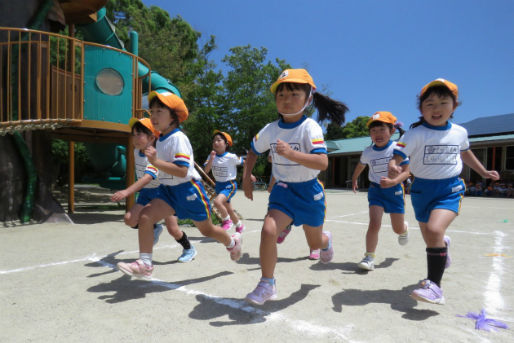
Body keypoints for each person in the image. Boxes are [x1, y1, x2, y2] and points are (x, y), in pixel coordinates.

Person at [242, 68, 348, 305]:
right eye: (281, 96)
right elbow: (252, 151)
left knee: (314, 243)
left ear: (308, 99)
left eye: (294, 95)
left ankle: (325, 240)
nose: (286, 100)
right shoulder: (270, 130)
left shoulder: (310, 127)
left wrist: (290, 153)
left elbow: (322, 162)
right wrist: (246, 177)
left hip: (310, 192)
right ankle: (267, 283)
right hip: (283, 191)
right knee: (268, 231)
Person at [389, 78, 499, 304]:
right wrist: (393, 164)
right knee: (431, 237)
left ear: (454, 106)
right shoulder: (414, 133)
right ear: (421, 109)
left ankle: (435, 287)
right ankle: (443, 248)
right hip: (421, 190)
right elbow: (398, 155)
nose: (436, 109)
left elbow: (465, 153)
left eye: (443, 103)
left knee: (435, 228)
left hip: (450, 189)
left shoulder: (459, 132)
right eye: (429, 104)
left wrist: (484, 171)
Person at [117, 91, 242, 280]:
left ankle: (231, 242)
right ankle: (145, 263)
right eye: (152, 111)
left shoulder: (178, 138)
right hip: (169, 191)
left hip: (189, 190)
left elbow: (183, 170)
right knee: (145, 216)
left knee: (206, 230)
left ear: (174, 116)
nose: (154, 115)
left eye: (160, 111)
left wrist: (156, 161)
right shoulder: (160, 140)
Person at [111, 117, 196, 263]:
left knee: (173, 229)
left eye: (140, 134)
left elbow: (147, 178)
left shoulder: (156, 155)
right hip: (146, 193)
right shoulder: (137, 151)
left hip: (163, 193)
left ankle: (189, 248)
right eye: (134, 134)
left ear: (151, 137)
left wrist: (126, 192)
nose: (135, 138)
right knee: (130, 219)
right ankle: (155, 227)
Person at [351, 111, 410, 271]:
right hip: (376, 190)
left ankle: (404, 229)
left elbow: (407, 171)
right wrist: (355, 178)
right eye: (373, 131)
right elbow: (361, 165)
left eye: (381, 129)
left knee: (396, 229)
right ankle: (369, 257)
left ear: (392, 131)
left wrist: (394, 180)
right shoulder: (368, 151)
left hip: (395, 191)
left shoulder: (397, 149)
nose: (377, 134)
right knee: (374, 224)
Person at [268, 153, 320, 260]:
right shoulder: (277, 141)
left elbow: (321, 162)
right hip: (284, 186)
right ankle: (286, 227)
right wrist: (271, 184)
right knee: (278, 210)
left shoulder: (305, 141)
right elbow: (274, 164)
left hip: (306, 187)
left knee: (308, 223)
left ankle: (314, 247)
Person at [203, 130, 245, 233]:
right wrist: (212, 159)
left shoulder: (231, 157)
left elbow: (244, 162)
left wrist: (249, 175)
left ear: (226, 144)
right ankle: (239, 226)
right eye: (213, 141)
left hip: (229, 185)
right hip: (219, 185)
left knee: (217, 202)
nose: (215, 143)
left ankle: (227, 221)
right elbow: (206, 171)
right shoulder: (211, 156)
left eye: (219, 140)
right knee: (229, 209)